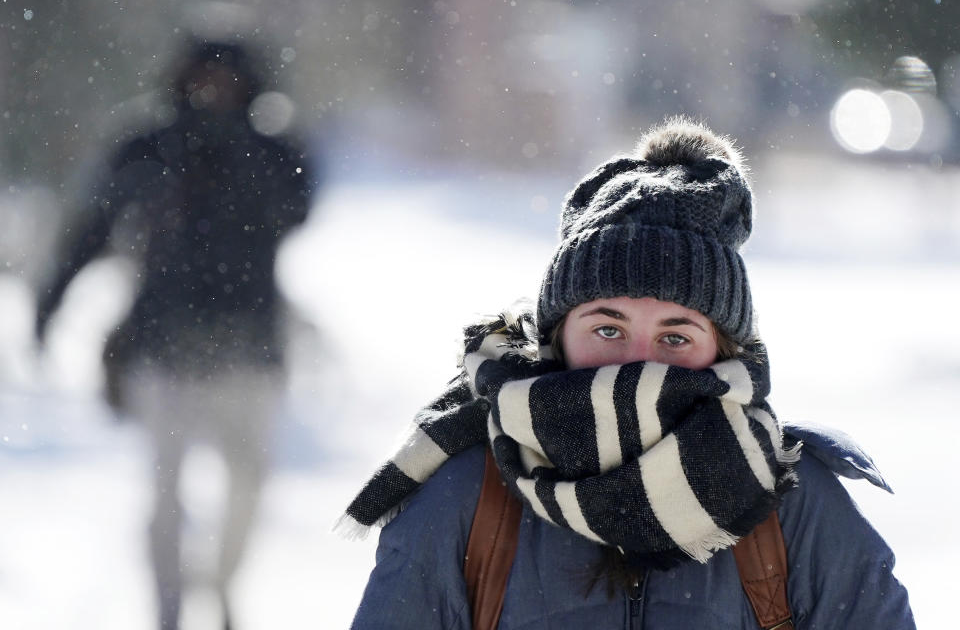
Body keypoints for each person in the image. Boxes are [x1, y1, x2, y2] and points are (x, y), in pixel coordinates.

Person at [340, 117, 915, 628]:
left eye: (674, 336)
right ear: (556, 337)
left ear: (723, 353)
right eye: (608, 329)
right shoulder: (466, 495)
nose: (639, 363)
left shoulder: (789, 497)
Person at [34, 37, 316, 630]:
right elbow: (91, 229)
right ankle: (167, 611)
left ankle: (221, 587)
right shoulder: (146, 148)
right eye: (203, 77)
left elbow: (300, 205)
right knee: (164, 498)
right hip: (163, 354)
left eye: (227, 79)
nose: (214, 89)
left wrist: (233, 150)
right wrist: (50, 303)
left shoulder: (272, 151)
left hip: (249, 356)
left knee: (249, 489)